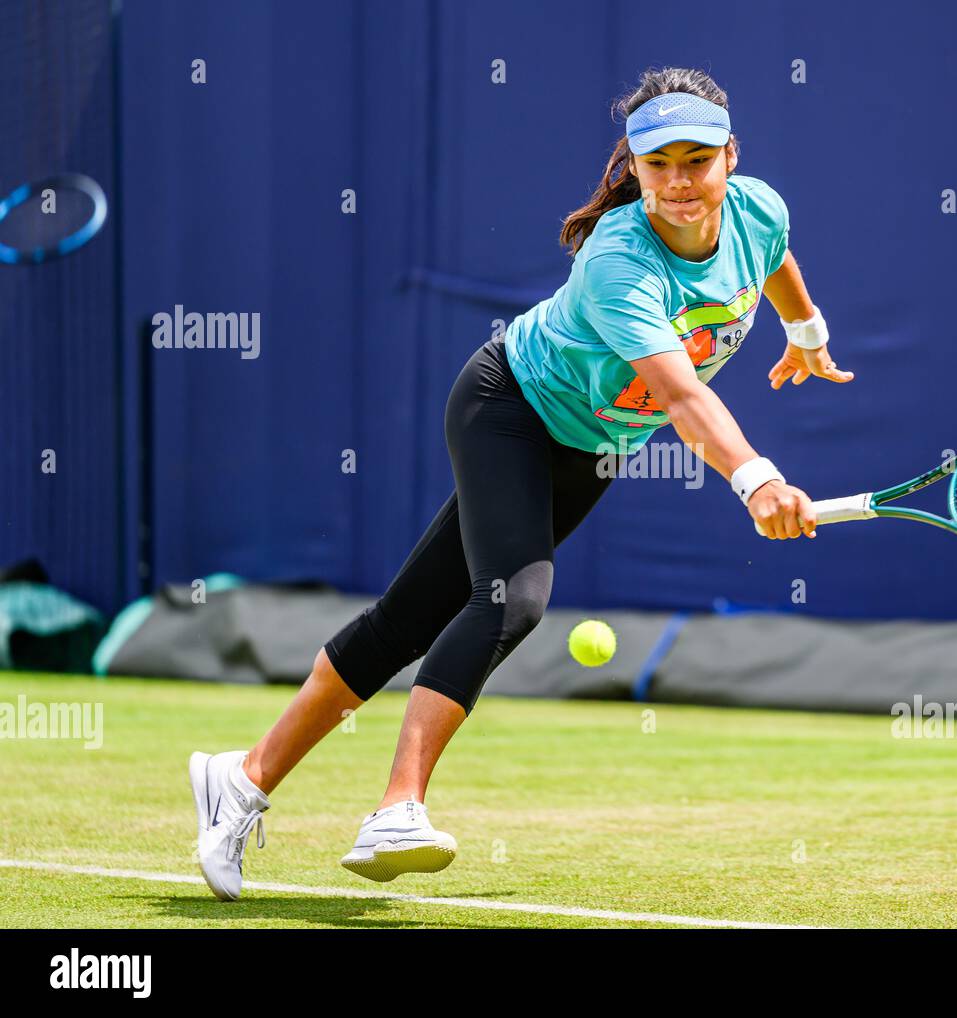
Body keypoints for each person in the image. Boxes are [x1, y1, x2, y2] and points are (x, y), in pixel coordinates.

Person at [187, 66, 854, 901]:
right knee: (511, 598)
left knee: (406, 620)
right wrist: (758, 481)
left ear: (730, 157)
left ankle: (240, 781)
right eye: (659, 166)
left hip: (594, 444)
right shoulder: (622, 263)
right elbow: (685, 395)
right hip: (510, 406)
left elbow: (775, 256)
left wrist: (807, 331)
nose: (679, 183)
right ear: (634, 169)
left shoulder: (758, 207)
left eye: (698, 161)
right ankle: (397, 807)